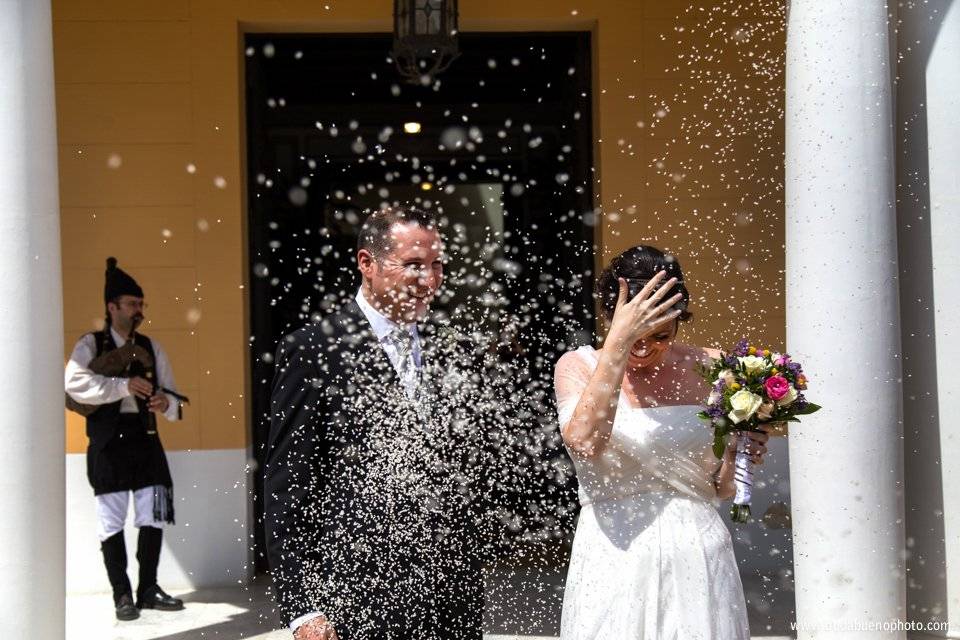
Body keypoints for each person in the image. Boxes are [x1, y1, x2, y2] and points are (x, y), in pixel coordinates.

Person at [266, 207, 507, 640]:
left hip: (451, 598)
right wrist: (302, 609)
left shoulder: (452, 347)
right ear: (367, 264)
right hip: (356, 599)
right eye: (413, 266)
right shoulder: (314, 348)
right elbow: (288, 482)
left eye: (437, 266)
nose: (429, 281)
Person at [554, 245, 770, 639]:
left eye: (660, 336)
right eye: (635, 333)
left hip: (698, 552)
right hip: (613, 553)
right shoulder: (578, 366)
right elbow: (585, 442)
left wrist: (741, 453)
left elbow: (722, 488)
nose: (645, 346)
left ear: (679, 321)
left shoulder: (714, 367)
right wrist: (617, 346)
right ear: (612, 317)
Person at [65, 258, 186, 621]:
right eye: (132, 304)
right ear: (112, 306)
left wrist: (166, 403)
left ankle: (148, 588)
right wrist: (122, 386)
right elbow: (74, 383)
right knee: (111, 521)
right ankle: (122, 595)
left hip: (145, 439)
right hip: (108, 444)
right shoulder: (91, 345)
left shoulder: (152, 346)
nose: (138, 311)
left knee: (152, 516)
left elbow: (174, 396)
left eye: (140, 304)